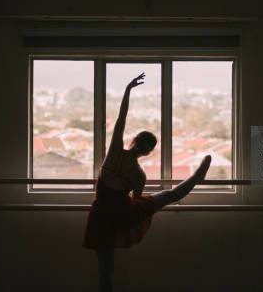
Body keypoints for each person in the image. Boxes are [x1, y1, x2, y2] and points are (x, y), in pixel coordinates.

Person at [82, 72, 212, 292]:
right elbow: (136, 198)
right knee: (168, 196)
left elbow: (121, 119)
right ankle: (196, 178)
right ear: (149, 152)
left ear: (135, 140)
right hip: (122, 213)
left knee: (106, 272)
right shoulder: (139, 175)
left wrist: (128, 89)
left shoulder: (114, 152)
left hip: (101, 216)